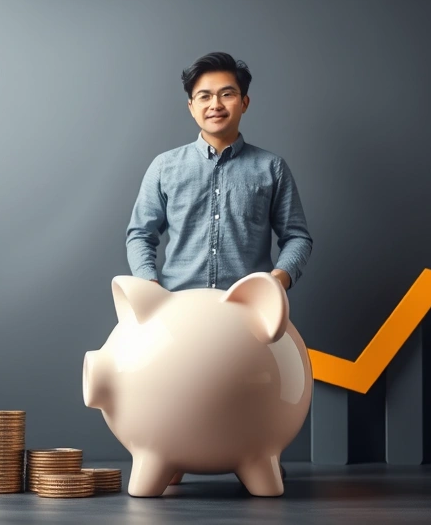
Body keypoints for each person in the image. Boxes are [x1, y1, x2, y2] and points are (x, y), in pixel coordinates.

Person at [125, 51, 313, 485]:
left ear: (244, 102)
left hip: (247, 318)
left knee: (250, 392)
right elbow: (140, 234)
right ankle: (171, 455)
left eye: (227, 94)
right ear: (190, 105)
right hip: (176, 316)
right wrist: (151, 288)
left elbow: (298, 237)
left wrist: (276, 283)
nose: (215, 104)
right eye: (204, 95)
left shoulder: (272, 168)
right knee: (176, 396)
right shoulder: (164, 167)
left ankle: (256, 454)